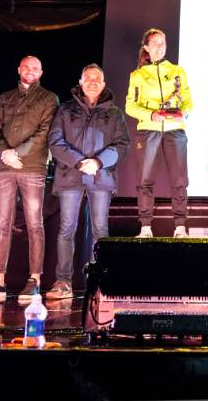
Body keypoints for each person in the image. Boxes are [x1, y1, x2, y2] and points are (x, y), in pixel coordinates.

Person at [0, 55, 59, 300]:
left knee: (34, 224)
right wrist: (4, 153)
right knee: (2, 223)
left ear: (41, 73)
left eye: (35, 68)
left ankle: (35, 280)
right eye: (26, 67)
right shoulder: (5, 97)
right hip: (4, 167)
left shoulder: (48, 98)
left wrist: (17, 153)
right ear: (19, 69)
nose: (30, 71)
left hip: (31, 166)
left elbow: (45, 132)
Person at [46, 64, 130, 300]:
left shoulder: (114, 113)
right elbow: (55, 141)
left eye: (97, 79)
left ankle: (98, 283)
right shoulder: (65, 109)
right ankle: (63, 282)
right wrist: (78, 161)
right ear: (81, 83)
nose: (92, 82)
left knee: (100, 230)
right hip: (70, 175)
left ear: (103, 84)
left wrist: (98, 162)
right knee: (66, 229)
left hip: (100, 177)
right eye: (88, 78)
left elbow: (122, 145)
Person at [126, 28, 192, 237]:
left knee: (179, 179)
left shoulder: (177, 71)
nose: (159, 47)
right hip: (148, 130)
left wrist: (184, 113)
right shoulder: (137, 75)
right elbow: (130, 106)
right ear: (146, 47)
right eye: (154, 43)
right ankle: (145, 227)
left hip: (175, 130)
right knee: (145, 179)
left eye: (162, 43)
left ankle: (180, 227)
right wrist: (151, 115)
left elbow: (188, 101)